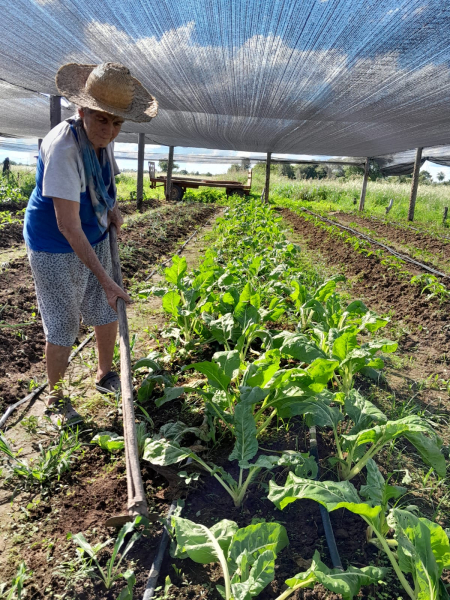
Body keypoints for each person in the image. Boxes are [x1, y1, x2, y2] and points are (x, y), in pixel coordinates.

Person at [23, 62, 158, 425]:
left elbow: (106, 181)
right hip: (54, 242)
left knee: (105, 306)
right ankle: (56, 398)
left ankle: (104, 375)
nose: (110, 130)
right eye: (102, 120)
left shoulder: (102, 137)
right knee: (64, 322)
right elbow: (67, 225)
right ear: (82, 111)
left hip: (93, 230)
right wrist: (105, 276)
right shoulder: (64, 148)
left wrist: (112, 210)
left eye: (117, 123)